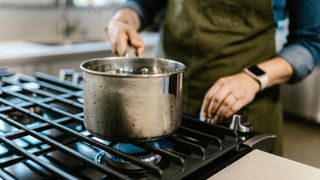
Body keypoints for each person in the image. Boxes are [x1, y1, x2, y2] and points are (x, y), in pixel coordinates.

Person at [107, 0, 320, 155]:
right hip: (165, 106)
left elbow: (310, 43)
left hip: (244, 114)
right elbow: (142, 4)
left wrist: (253, 78)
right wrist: (122, 20)